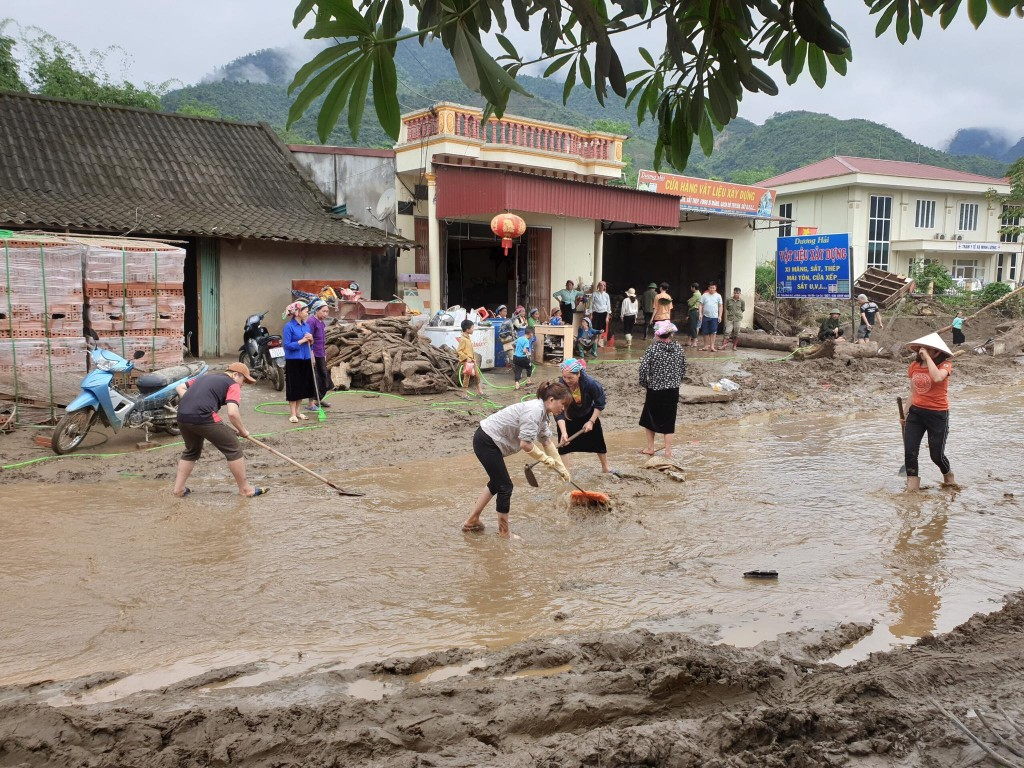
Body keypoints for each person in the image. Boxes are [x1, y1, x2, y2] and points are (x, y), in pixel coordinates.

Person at [461, 381, 572, 537]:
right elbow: (526, 445)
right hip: (486, 440)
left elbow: (546, 441)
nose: (563, 409)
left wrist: (561, 468)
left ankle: (472, 520)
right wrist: (544, 459)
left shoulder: (544, 414)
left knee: (496, 483)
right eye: (563, 404)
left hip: (492, 441)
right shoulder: (534, 411)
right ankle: (504, 533)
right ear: (552, 400)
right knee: (506, 486)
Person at [172, 362, 267, 498]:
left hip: (182, 416)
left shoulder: (205, 377)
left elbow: (180, 387)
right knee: (233, 447)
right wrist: (243, 431)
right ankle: (246, 490)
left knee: (191, 450)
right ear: (235, 375)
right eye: (243, 380)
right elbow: (232, 413)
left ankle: (179, 490)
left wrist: (192, 401)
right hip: (203, 416)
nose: (242, 385)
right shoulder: (232, 384)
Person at [901, 333, 955, 491]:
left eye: (926, 349)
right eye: (920, 349)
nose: (921, 351)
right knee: (910, 452)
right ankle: (912, 490)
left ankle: (949, 476)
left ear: (937, 352)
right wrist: (905, 413)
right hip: (916, 413)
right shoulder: (913, 366)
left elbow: (938, 378)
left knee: (936, 456)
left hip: (937, 414)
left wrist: (928, 359)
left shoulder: (945, 365)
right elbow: (913, 391)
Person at [638, 320, 687, 458]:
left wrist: (644, 383)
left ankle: (650, 448)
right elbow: (684, 367)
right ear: (670, 334)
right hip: (673, 390)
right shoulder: (678, 348)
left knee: (650, 418)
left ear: (657, 334)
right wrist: (676, 381)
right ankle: (668, 451)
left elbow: (643, 369)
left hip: (655, 389)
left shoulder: (652, 349)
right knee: (669, 420)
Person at [556, 358, 611, 474]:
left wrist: (591, 421)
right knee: (563, 445)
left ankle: (606, 468)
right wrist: (564, 432)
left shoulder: (591, 384)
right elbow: (558, 412)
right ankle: (566, 473)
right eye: (564, 377)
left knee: (598, 442)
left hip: (588, 414)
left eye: (570, 377)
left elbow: (599, 403)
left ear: (579, 374)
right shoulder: (560, 386)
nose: (567, 380)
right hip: (568, 417)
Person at [282, 301, 316, 423]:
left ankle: (298, 411)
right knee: (294, 386)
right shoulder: (288, 327)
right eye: (306, 311)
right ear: (298, 312)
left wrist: (311, 340)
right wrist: (301, 341)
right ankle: (292, 413)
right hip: (293, 359)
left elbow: (310, 344)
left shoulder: (306, 326)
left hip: (305, 358)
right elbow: (287, 345)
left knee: (302, 386)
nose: (307, 314)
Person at [306, 299, 331, 410]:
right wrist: (311, 354)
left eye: (327, 312)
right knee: (314, 378)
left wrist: (324, 353)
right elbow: (308, 339)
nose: (326, 314)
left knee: (323, 377)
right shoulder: (311, 321)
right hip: (313, 354)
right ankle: (311, 403)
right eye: (324, 311)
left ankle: (319, 400)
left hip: (320, 353)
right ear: (316, 311)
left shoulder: (321, 323)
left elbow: (322, 340)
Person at [457, 319, 484, 396]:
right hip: (467, 361)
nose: (473, 329)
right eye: (472, 328)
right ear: (467, 329)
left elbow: (470, 350)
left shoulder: (468, 337)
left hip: (472, 361)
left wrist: (473, 358)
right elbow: (459, 350)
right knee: (467, 377)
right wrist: (466, 358)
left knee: (477, 375)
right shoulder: (463, 339)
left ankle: (480, 391)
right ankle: (464, 394)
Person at [698, 281, 724, 352]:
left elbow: (720, 306)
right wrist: (700, 314)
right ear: (708, 288)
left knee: (713, 332)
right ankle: (706, 346)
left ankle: (712, 346)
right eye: (710, 288)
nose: (712, 289)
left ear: (716, 288)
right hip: (705, 316)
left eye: (713, 288)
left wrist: (720, 316)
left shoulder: (718, 296)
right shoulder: (704, 295)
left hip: (714, 317)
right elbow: (700, 305)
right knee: (705, 332)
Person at [723, 287, 745, 351]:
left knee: (736, 332)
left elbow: (743, 309)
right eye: (735, 293)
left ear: (740, 293)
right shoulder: (729, 300)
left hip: (738, 319)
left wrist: (738, 313)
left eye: (737, 293)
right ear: (733, 292)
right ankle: (724, 345)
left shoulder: (742, 301)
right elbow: (727, 307)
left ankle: (734, 346)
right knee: (727, 331)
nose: (736, 294)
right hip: (730, 318)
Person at [512, 326, 535, 390]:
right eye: (533, 334)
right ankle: (528, 381)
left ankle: (517, 384)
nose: (533, 335)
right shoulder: (526, 341)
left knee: (518, 370)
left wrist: (516, 349)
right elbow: (525, 350)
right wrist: (528, 354)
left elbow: (512, 343)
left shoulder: (520, 338)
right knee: (529, 366)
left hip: (515, 357)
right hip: (523, 358)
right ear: (530, 334)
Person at [589, 280, 611, 345]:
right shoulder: (594, 294)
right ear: (598, 286)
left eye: (603, 285)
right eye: (600, 285)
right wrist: (591, 314)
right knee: (595, 327)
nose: (602, 287)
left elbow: (608, 306)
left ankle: (599, 341)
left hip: (603, 313)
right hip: (596, 312)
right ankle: (594, 341)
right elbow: (591, 304)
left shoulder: (606, 295)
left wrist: (607, 316)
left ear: (604, 287)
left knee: (601, 328)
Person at [686, 282, 701, 348]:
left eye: (691, 287)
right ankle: (689, 341)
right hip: (692, 311)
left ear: (694, 288)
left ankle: (694, 342)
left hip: (694, 311)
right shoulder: (696, 294)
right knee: (690, 327)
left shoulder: (696, 294)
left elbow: (689, 303)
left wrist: (689, 300)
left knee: (693, 327)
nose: (690, 288)